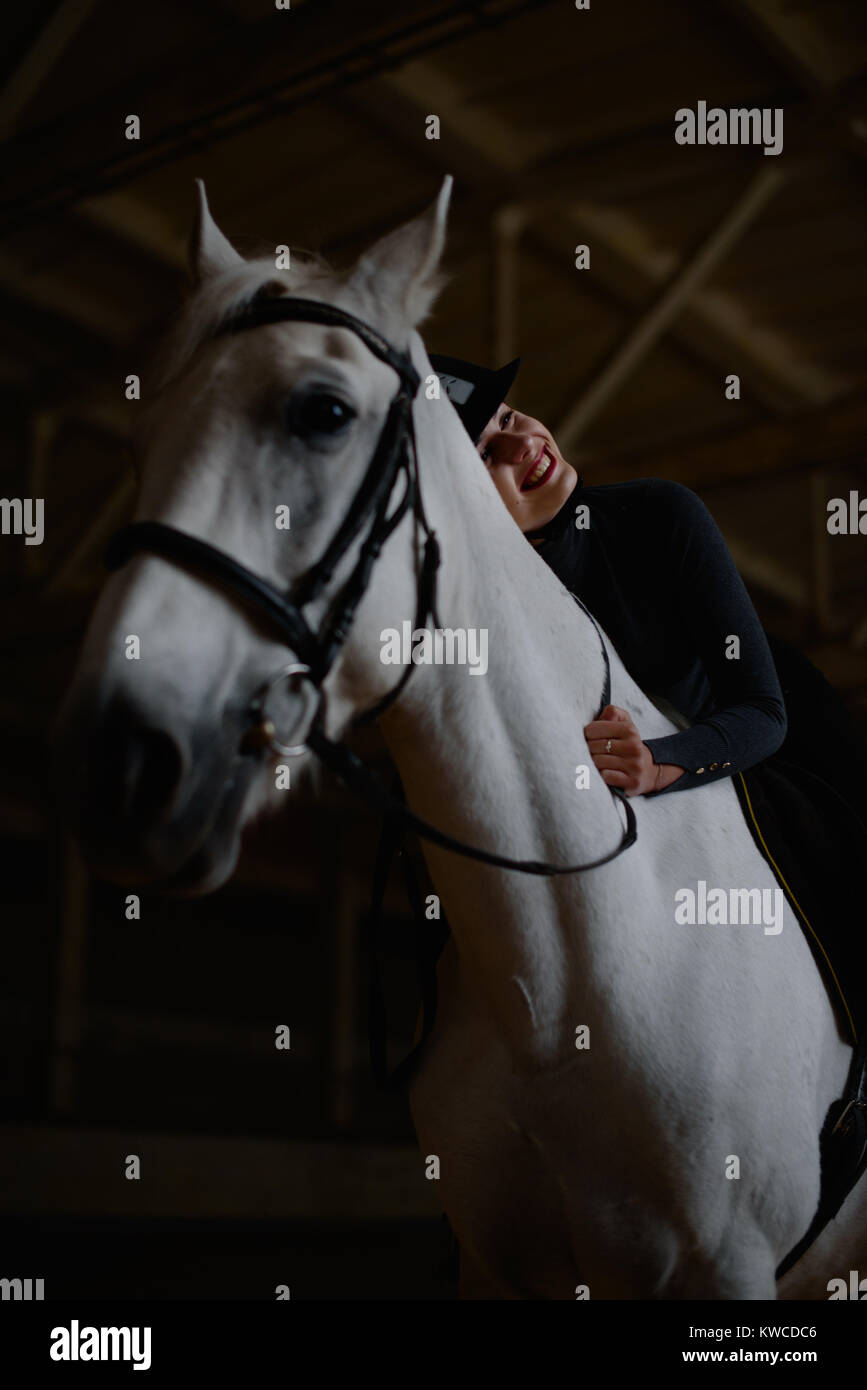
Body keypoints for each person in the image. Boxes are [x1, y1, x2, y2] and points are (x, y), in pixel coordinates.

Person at [431, 352, 867, 1034]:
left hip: (759, 739)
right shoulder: (480, 611)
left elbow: (762, 711)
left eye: (510, 417)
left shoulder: (658, 513)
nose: (524, 444)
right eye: (488, 451)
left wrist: (658, 762)